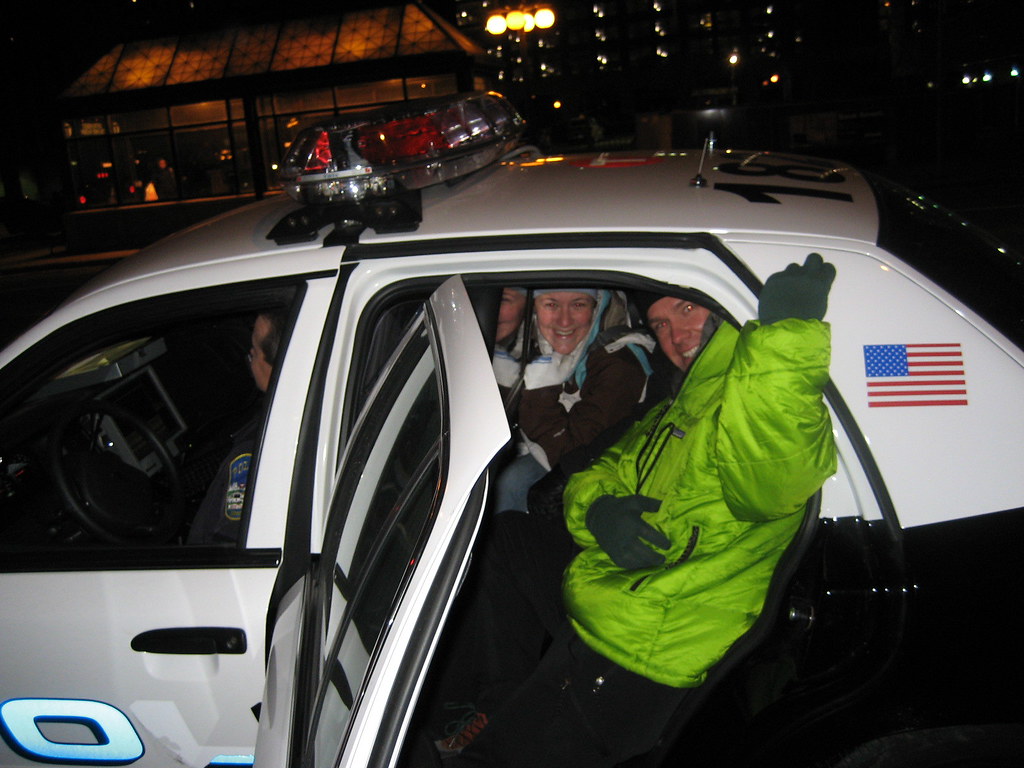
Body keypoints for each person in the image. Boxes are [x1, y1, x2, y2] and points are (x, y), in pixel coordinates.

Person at [431, 254, 838, 766]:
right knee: (504, 536)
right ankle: (501, 701)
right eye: (662, 323)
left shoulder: (749, 404)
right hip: (614, 597)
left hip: (653, 636)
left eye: (688, 310)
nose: (676, 334)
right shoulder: (678, 404)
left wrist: (785, 338)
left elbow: (771, 483)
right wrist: (599, 508)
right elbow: (595, 472)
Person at [493, 288, 654, 512]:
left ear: (597, 307)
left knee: (512, 483)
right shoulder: (532, 345)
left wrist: (541, 390)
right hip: (543, 451)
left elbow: (570, 459)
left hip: (597, 484)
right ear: (535, 309)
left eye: (578, 305)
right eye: (551, 305)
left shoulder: (619, 364)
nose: (564, 320)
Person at [187, 309, 284, 545]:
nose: (250, 358)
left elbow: (229, 542)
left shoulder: (253, 451)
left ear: (273, 365)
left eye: (254, 353)